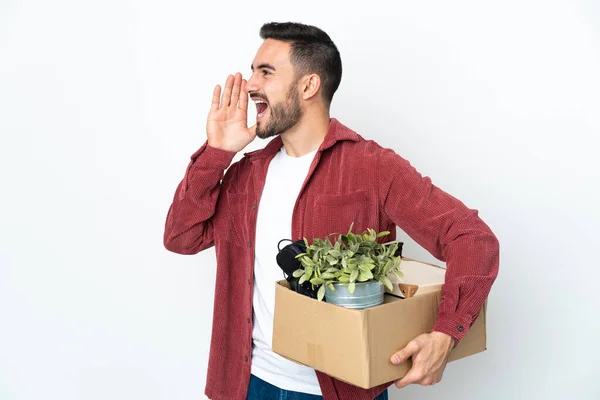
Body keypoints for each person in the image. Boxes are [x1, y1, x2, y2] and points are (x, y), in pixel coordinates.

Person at [163, 22, 499, 400]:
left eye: (265, 72)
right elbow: (181, 237)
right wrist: (217, 153)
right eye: (253, 69)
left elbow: (473, 239)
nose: (250, 84)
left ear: (308, 86)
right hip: (246, 383)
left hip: (336, 391)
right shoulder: (244, 173)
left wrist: (446, 334)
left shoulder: (373, 167)